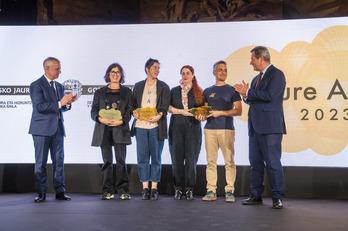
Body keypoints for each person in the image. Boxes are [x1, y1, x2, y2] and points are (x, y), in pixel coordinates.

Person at [234, 46, 286, 209]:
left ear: (261, 58)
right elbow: (255, 100)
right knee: (255, 163)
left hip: (270, 128)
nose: (251, 62)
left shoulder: (277, 74)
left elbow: (270, 96)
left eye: (252, 59)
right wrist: (246, 96)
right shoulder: (257, 79)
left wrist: (248, 91)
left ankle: (277, 197)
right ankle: (255, 195)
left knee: (272, 162)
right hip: (255, 127)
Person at [29, 57, 76, 203]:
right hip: (41, 130)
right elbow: (40, 107)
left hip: (58, 130)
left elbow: (60, 108)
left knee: (59, 162)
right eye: (57, 69)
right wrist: (60, 103)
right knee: (40, 163)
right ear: (47, 69)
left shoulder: (60, 86)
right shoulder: (36, 85)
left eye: (60, 68)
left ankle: (60, 191)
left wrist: (67, 104)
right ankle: (41, 192)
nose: (60, 71)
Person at [197, 60, 242, 202]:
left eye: (225, 70)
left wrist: (221, 113)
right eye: (220, 70)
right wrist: (201, 116)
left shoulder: (232, 90)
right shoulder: (207, 91)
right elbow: (205, 112)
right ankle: (211, 190)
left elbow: (238, 111)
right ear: (214, 72)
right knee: (211, 161)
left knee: (229, 161)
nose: (223, 72)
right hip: (210, 129)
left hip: (226, 129)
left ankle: (230, 190)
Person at [91, 63, 133, 200]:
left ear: (121, 75)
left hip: (120, 129)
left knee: (121, 161)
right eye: (113, 72)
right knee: (107, 161)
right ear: (108, 74)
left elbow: (129, 111)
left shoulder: (127, 92)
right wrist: (100, 119)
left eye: (118, 72)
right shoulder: (99, 92)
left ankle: (122, 190)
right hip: (104, 130)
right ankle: (107, 191)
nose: (115, 74)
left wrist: (121, 121)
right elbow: (93, 112)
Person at [132, 58, 170, 200]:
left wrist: (158, 116)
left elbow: (164, 106)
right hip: (140, 126)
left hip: (156, 126)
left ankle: (154, 188)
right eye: (154, 67)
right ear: (147, 69)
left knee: (156, 157)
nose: (157, 70)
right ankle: (145, 188)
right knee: (142, 157)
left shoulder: (163, 86)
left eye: (158, 68)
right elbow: (133, 105)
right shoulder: (138, 86)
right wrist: (134, 113)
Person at [168, 65, 204, 200]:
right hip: (176, 126)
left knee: (191, 158)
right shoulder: (174, 91)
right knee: (176, 158)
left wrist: (202, 116)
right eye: (183, 73)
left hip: (193, 128)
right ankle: (177, 188)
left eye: (188, 73)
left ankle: (189, 189)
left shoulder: (199, 92)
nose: (185, 76)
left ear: (193, 75)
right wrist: (181, 111)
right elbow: (168, 107)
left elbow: (203, 111)